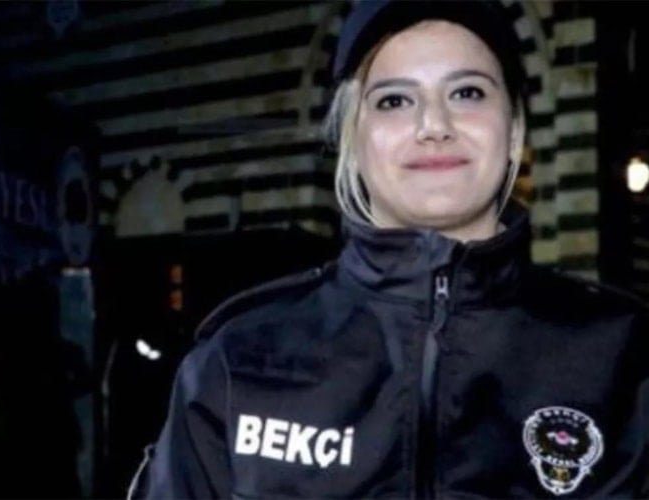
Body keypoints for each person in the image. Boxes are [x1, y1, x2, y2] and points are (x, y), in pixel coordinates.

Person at [130, 0, 649, 498]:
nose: (434, 126)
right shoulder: (240, 358)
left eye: (467, 92)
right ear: (353, 142)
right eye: (394, 101)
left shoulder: (625, 357)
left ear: (513, 131)